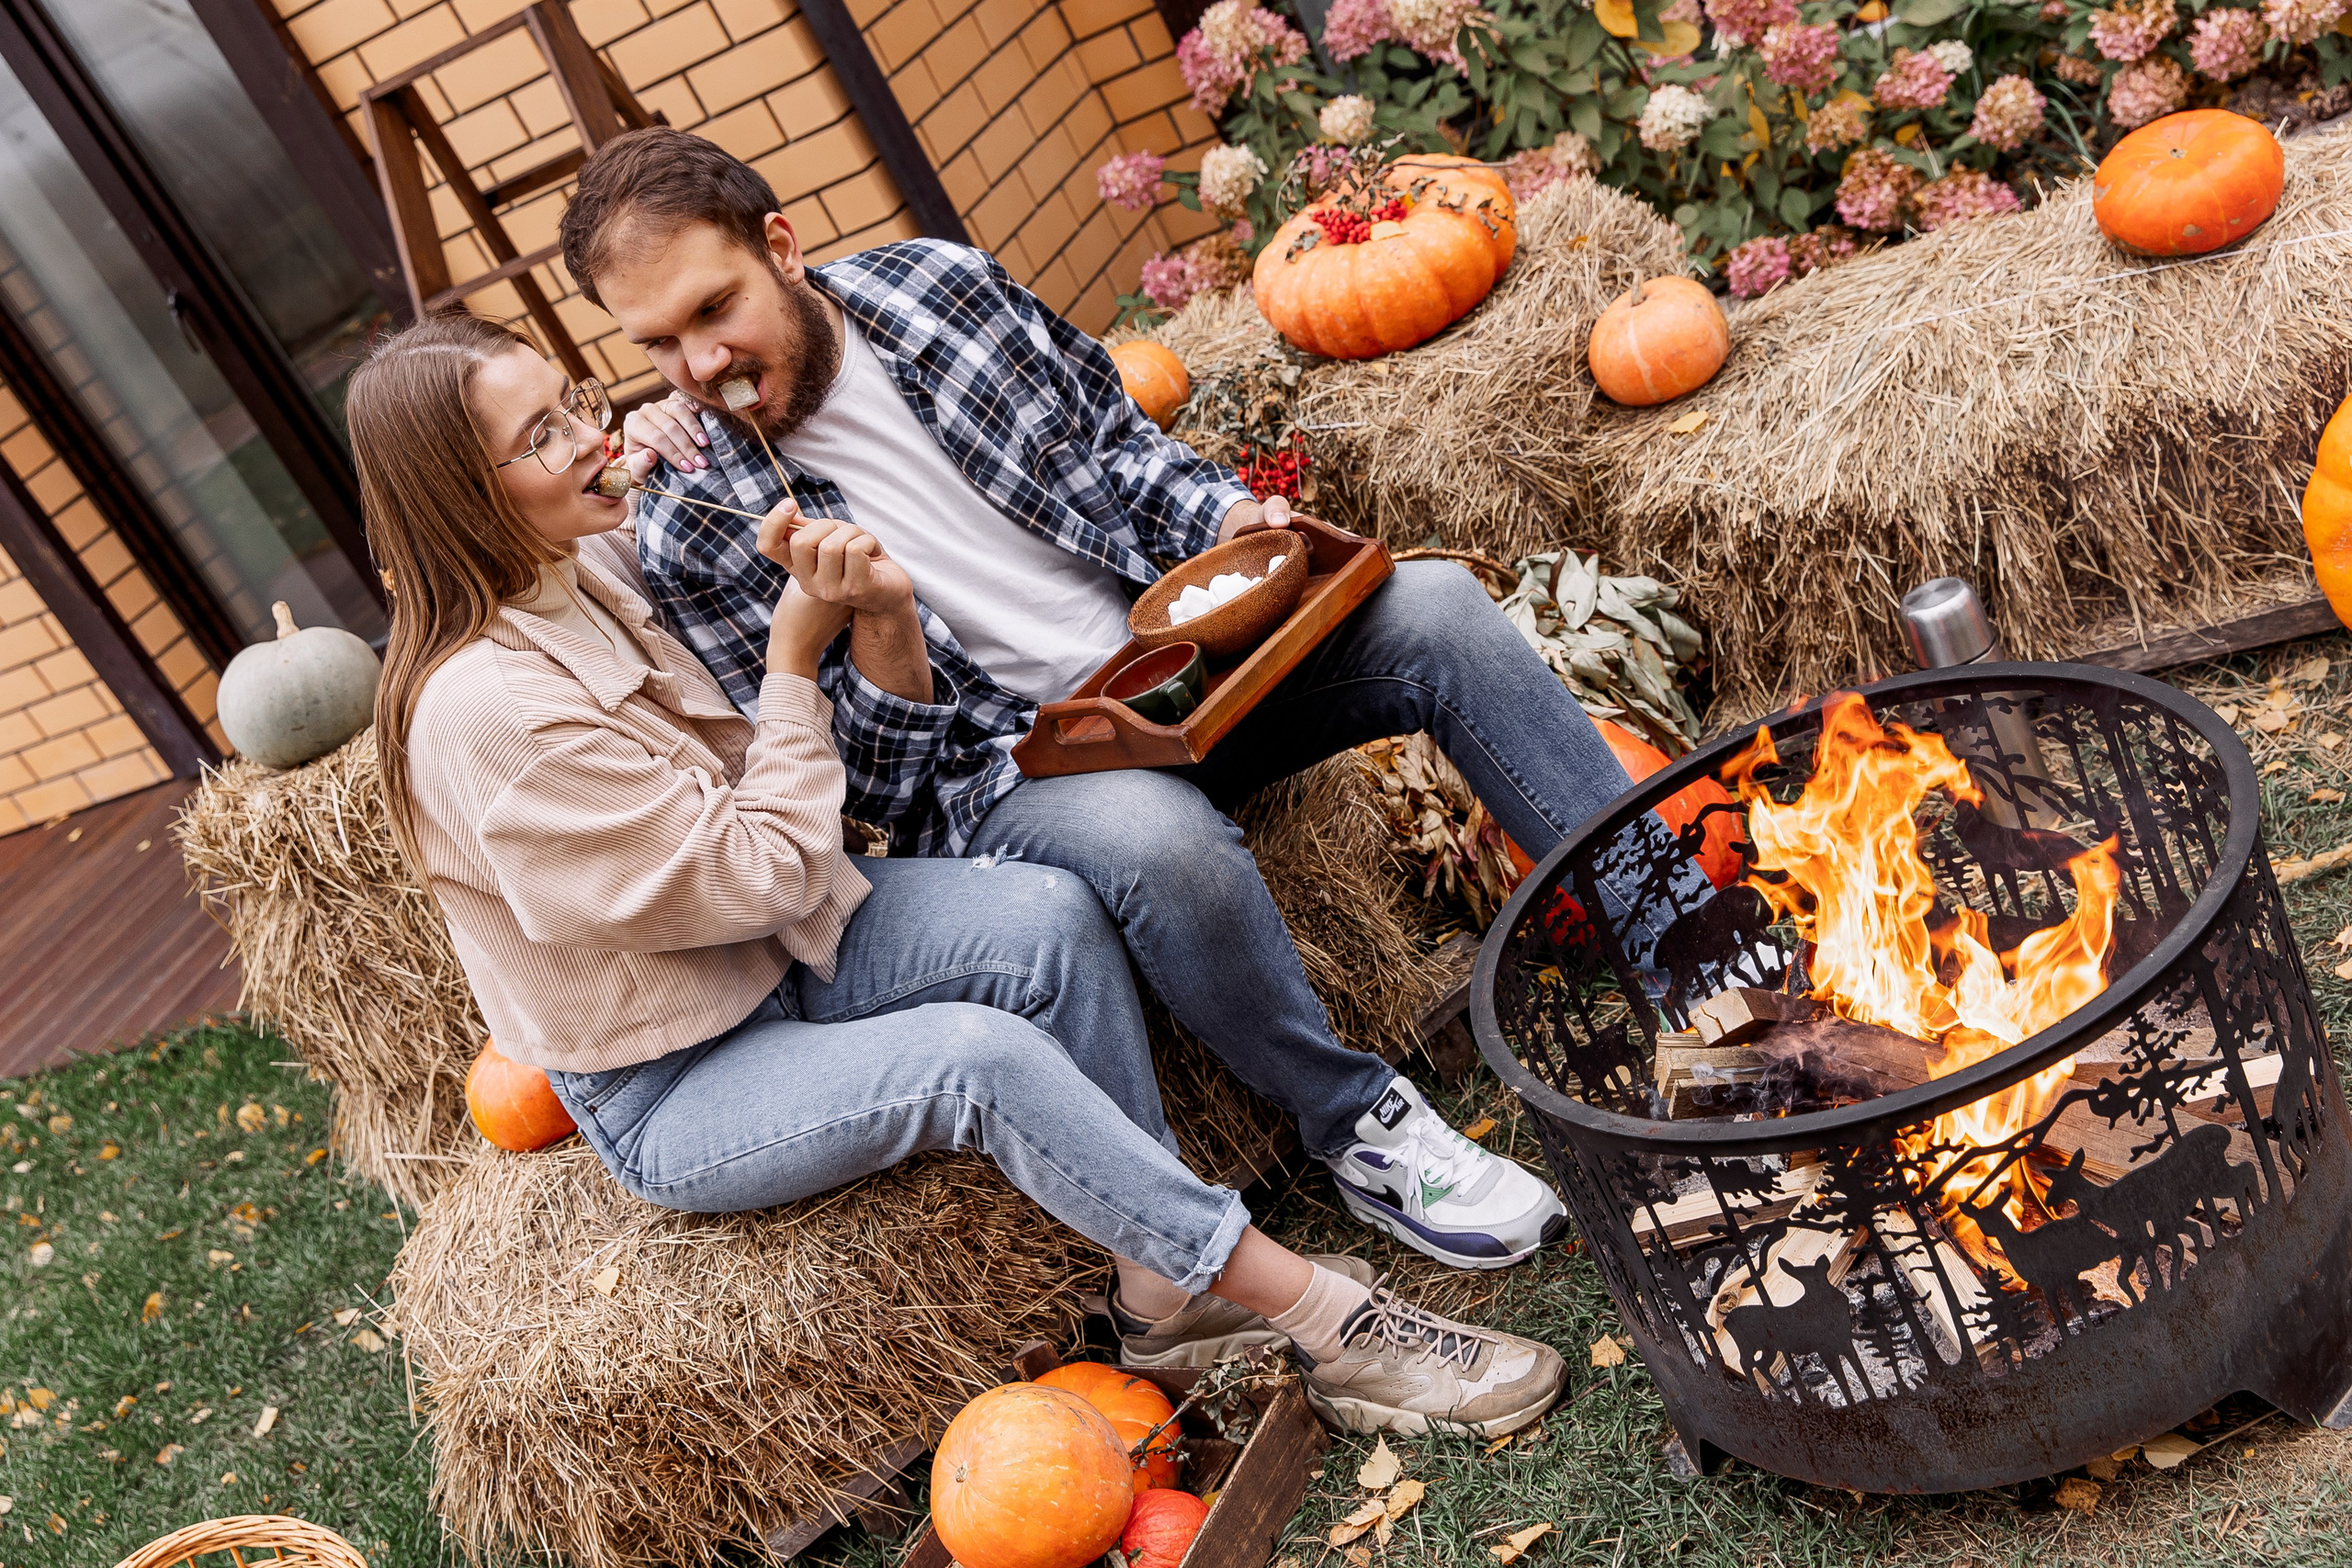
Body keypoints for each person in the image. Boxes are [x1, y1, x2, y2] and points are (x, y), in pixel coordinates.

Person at [350, 312, 1566, 1437]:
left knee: (1048, 915)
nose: (594, 434)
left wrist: (838, 577)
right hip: (687, 1068)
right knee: (977, 1061)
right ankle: (1325, 1321)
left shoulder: (581, 570)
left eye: (575, 399)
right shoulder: (482, 710)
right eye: (545, 433)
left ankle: (1161, 1291)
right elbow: (762, 873)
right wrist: (792, 655)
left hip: (786, 947)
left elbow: (778, 873)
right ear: (464, 495)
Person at [557, 129, 1713, 1273]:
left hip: (1177, 668)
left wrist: (1222, 524)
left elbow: (1114, 448)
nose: (701, 368)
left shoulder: (939, 290)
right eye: (658, 344)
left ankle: (1698, 966)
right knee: (1158, 840)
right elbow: (872, 795)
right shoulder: (695, 517)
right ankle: (1359, 1125)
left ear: (781, 244)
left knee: (1440, 612)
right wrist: (878, 629)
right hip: (1012, 772)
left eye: (715, 311)